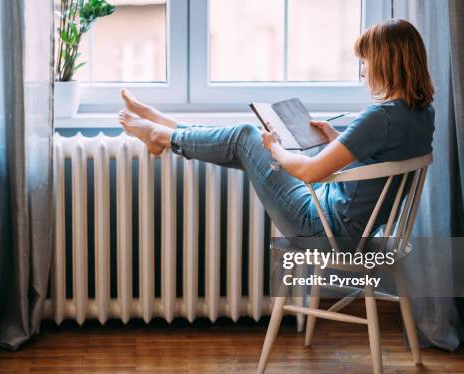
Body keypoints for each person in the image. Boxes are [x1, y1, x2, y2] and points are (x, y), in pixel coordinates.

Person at [118, 19, 435, 238]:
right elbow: (378, 162)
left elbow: (312, 173)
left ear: (385, 64)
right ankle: (169, 130)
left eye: (366, 62)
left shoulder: (380, 117)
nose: (363, 71)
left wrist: (275, 147)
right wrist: (334, 137)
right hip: (352, 227)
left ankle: (162, 134)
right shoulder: (420, 114)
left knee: (245, 136)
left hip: (323, 229)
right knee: (240, 144)